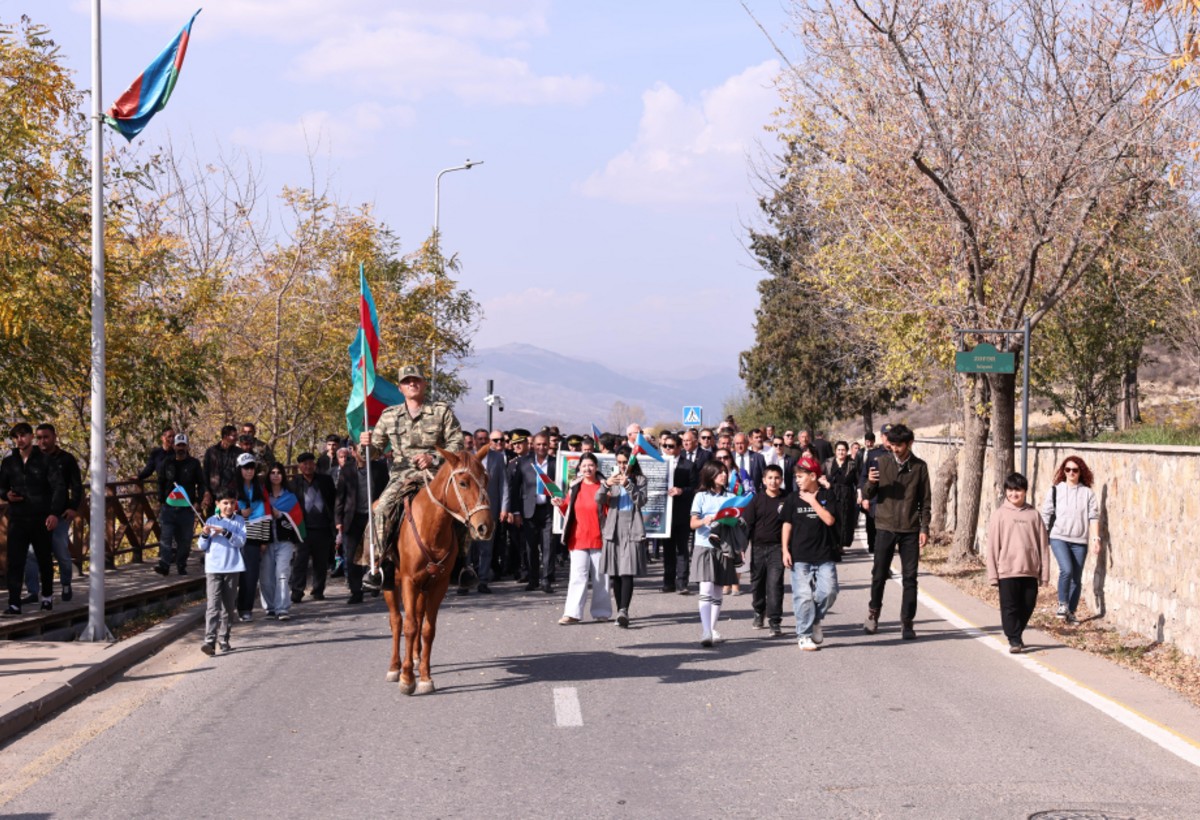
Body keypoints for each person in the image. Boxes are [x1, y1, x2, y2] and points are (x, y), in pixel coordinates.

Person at [363, 364, 463, 578]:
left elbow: (457, 443)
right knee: (381, 509)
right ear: (400, 388)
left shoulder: (440, 411)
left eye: (416, 380)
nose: (412, 384)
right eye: (407, 381)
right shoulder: (389, 415)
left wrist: (434, 458)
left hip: (437, 476)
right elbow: (374, 452)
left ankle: (463, 563)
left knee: (464, 507)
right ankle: (379, 563)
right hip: (402, 476)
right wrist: (365, 446)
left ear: (424, 384)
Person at [863, 423, 931, 640]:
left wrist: (924, 527)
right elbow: (867, 494)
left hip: (910, 529)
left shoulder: (920, 467)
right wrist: (870, 484)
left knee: (910, 578)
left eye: (898, 445)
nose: (894, 448)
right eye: (891, 444)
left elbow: (925, 501)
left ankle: (907, 622)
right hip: (885, 526)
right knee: (879, 574)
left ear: (909, 444)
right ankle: (873, 614)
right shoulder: (881, 463)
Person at [1, 423, 66, 615]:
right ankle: (14, 603)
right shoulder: (9, 462)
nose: (19, 439)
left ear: (31, 437)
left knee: (44, 559)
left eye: (23, 435)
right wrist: (7, 495)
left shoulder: (45, 460)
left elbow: (59, 487)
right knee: (15, 561)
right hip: (18, 518)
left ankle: (46, 597)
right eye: (16, 437)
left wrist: (54, 513)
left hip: (41, 518)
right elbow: (1, 486)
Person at [987, 473, 1050, 653]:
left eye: (1018, 490)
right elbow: (992, 547)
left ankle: (1016, 632)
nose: (1014, 494)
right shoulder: (999, 515)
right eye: (1011, 490)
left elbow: (1043, 546)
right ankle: (1014, 639)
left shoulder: (1034, 515)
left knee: (1028, 604)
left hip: (1030, 570)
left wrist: (1044, 574)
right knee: (1009, 607)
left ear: (1025, 491)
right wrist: (993, 574)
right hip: (1007, 570)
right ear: (1006, 491)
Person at [782, 456, 839, 651]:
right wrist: (784, 549)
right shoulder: (792, 498)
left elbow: (830, 520)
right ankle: (804, 635)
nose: (797, 480)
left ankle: (815, 619)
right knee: (803, 596)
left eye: (800, 476)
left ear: (813, 476)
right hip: (800, 555)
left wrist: (813, 502)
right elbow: (787, 524)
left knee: (829, 591)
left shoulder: (827, 496)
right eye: (796, 477)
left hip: (824, 554)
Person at [24, 424, 82, 603]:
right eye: (39, 437)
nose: (42, 441)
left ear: (55, 437)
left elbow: (77, 486)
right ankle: (33, 592)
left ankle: (66, 583)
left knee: (60, 550)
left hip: (59, 514)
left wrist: (72, 507)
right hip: (36, 513)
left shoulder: (66, 459)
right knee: (31, 553)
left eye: (46, 437)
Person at [1040, 456, 1101, 625]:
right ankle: (1062, 604)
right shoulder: (1055, 490)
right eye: (1068, 470)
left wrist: (1096, 539)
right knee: (1066, 569)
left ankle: (1071, 612)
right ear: (1063, 471)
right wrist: (1043, 533)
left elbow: (1093, 517)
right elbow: (1046, 514)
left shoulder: (1087, 493)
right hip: (1058, 537)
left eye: (1075, 470)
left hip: (1080, 541)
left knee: (1076, 578)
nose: (1071, 473)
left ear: (1081, 472)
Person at [689, 458, 743, 647]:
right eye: (719, 472)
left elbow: (737, 522)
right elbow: (692, 523)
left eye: (725, 472)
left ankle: (712, 629)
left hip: (724, 548)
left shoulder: (730, 496)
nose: (724, 475)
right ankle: (705, 631)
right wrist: (705, 520)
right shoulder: (700, 496)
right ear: (710, 475)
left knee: (719, 590)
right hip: (704, 546)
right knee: (706, 588)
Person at [557, 453, 612, 624]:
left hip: (600, 537)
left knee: (601, 577)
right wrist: (560, 504)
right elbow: (568, 508)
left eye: (591, 465)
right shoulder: (574, 486)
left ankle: (601, 612)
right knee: (577, 576)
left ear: (596, 467)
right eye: (584, 466)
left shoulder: (605, 486)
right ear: (579, 468)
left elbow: (611, 511)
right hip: (578, 537)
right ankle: (572, 613)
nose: (587, 469)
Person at [598, 446, 648, 628]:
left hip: (632, 526)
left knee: (627, 571)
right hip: (613, 526)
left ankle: (624, 610)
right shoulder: (611, 478)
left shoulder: (640, 479)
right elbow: (599, 499)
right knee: (615, 572)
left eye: (625, 462)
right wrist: (606, 485)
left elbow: (641, 501)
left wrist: (628, 484)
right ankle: (620, 611)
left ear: (632, 463)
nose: (622, 466)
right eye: (619, 462)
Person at [335, 444, 388, 604]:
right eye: (360, 450)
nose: (364, 454)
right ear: (354, 451)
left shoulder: (379, 468)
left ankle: (373, 583)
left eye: (367, 451)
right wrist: (338, 521)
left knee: (375, 553)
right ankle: (356, 591)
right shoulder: (347, 470)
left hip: (374, 517)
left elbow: (387, 490)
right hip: (353, 518)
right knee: (351, 557)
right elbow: (340, 497)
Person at [198, 489, 247, 655]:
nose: (229, 506)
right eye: (225, 503)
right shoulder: (211, 521)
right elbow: (202, 546)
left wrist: (225, 532)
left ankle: (224, 638)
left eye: (232, 503)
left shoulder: (239, 521)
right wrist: (205, 534)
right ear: (218, 504)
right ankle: (209, 641)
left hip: (232, 568)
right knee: (213, 605)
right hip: (213, 568)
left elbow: (240, 542)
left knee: (228, 606)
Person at [509, 432, 559, 593]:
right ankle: (533, 579)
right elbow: (515, 488)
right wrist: (515, 511)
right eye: (538, 444)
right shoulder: (524, 463)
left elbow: (562, 485)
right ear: (533, 445)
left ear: (548, 445)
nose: (542, 447)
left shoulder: (555, 463)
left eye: (544, 444)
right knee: (530, 547)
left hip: (549, 510)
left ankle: (546, 579)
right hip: (529, 510)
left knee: (548, 545)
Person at [744, 463, 787, 637]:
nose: (773, 481)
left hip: (777, 548)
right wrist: (742, 546)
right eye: (770, 478)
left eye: (777, 478)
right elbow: (747, 524)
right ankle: (758, 611)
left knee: (775, 585)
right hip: (758, 548)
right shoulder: (756, 500)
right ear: (763, 480)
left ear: (781, 480)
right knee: (757, 583)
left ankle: (775, 621)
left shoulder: (787, 499)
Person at [153, 433, 205, 576]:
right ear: (174, 446)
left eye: (183, 445)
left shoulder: (194, 464)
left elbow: (201, 483)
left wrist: (198, 500)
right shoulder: (166, 462)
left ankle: (181, 564)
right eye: (178, 445)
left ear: (187, 446)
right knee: (166, 537)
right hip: (169, 507)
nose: (180, 448)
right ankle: (164, 565)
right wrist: (161, 499)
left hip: (186, 509)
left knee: (185, 539)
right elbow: (160, 481)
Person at [289, 452, 336, 603]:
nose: (308, 466)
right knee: (300, 562)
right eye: (304, 464)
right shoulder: (294, 483)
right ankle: (297, 591)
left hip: (322, 527)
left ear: (314, 465)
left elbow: (333, 500)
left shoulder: (325, 480)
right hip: (303, 528)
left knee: (320, 562)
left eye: (310, 463)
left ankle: (318, 590)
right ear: (299, 467)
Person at [468, 430, 509, 595]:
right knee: (469, 548)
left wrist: (504, 508)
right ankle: (467, 580)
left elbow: (503, 484)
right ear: (474, 440)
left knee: (486, 548)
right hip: (470, 511)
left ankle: (483, 581)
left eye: (486, 439)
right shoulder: (467, 457)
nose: (483, 441)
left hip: (489, 509)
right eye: (480, 439)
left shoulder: (497, 458)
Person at [260, 463, 300, 620]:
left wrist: (281, 515)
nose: (275, 475)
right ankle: (270, 607)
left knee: (282, 573)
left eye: (278, 473)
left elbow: (297, 519)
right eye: (272, 472)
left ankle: (282, 608)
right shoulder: (262, 496)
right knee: (266, 576)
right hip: (266, 540)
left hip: (285, 541)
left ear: (283, 476)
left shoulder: (290, 496)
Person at [233, 452, 268, 621]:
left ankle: (245, 608)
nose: (249, 471)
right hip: (232, 537)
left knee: (251, 575)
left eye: (252, 467)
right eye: (246, 468)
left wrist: (263, 540)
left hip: (253, 536)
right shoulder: (231, 488)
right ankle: (229, 607)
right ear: (239, 469)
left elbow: (264, 514)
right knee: (233, 575)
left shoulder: (259, 488)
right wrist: (239, 512)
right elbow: (220, 511)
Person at [662, 432, 696, 594]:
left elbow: (695, 488)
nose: (668, 449)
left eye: (671, 446)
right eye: (665, 446)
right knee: (667, 549)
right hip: (664, 513)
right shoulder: (659, 463)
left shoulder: (688, 465)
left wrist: (681, 490)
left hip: (681, 512)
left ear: (679, 448)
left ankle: (682, 582)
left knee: (682, 548)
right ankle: (668, 582)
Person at [822, 441, 859, 558]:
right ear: (835, 451)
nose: (841, 452)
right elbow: (820, 476)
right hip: (830, 494)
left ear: (847, 451)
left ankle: (840, 545)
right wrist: (824, 483)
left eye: (843, 450)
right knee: (832, 519)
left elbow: (857, 481)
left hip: (846, 496)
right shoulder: (828, 462)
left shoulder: (852, 464)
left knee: (844, 520)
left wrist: (859, 494)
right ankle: (832, 545)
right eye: (838, 449)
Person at [202, 425, 240, 517]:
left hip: (232, 497)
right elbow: (205, 473)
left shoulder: (239, 452)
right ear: (226, 437)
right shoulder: (211, 452)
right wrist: (206, 492)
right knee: (213, 524)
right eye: (233, 436)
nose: (236, 438)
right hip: (214, 496)